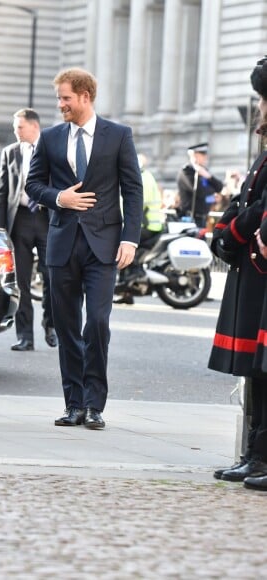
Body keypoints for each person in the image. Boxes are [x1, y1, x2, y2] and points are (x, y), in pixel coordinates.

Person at [26, 67, 143, 430]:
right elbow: (33, 185)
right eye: (59, 98)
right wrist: (59, 197)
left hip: (103, 245)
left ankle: (95, 404)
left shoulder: (118, 135)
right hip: (61, 243)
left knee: (97, 322)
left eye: (65, 98)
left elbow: (133, 190)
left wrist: (130, 238)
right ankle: (74, 404)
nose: (60, 104)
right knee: (66, 327)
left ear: (85, 97)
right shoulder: (50, 137)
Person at [209, 54, 267, 490]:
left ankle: (261, 457)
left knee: (264, 369)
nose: (259, 107)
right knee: (257, 370)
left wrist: (237, 231)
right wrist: (226, 231)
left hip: (261, 270)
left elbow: (260, 209)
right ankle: (254, 454)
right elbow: (244, 199)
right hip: (252, 271)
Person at [0, 108, 57, 351]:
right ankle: (25, 337)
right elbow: (2, 191)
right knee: (20, 283)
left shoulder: (52, 150)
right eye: (14, 127)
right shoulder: (10, 152)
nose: (15, 132)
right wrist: (1, 231)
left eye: (19, 127)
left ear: (34, 127)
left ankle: (50, 323)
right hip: (19, 221)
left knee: (51, 276)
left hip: (46, 220)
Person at [114, 153, 165, 305]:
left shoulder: (142, 178)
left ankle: (134, 276)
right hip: (149, 225)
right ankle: (126, 291)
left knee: (122, 245)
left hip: (148, 225)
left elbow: (136, 204)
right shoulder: (146, 175)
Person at [176, 142, 223, 227]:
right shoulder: (187, 171)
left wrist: (209, 177)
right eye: (202, 154)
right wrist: (212, 193)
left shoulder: (204, 171)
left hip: (203, 218)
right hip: (190, 218)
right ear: (194, 155)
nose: (205, 157)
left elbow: (219, 187)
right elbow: (200, 191)